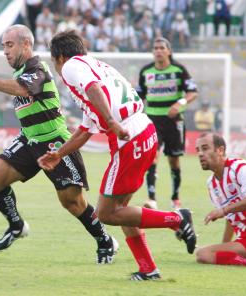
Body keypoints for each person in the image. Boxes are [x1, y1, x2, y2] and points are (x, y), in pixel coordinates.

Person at [38, 30, 197, 280]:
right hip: (144, 129)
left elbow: (93, 89)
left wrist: (112, 122)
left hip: (128, 137)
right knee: (121, 209)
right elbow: (85, 130)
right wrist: (59, 153)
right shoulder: (97, 67)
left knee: (105, 213)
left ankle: (176, 219)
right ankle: (148, 269)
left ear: (58, 57)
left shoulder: (72, 67)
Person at [0, 24, 118, 264]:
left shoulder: (38, 68)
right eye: (3, 47)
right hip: (29, 139)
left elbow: (24, 90)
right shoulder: (21, 71)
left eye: (10, 45)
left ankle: (105, 241)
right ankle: (16, 225)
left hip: (56, 141)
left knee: (72, 202)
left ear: (26, 45)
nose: (5, 51)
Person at [137, 37, 198, 210]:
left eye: (162, 48)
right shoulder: (145, 72)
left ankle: (175, 198)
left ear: (169, 51)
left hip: (173, 121)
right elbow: (139, 96)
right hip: (152, 120)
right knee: (152, 158)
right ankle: (151, 199)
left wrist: (180, 104)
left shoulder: (179, 70)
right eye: (155, 48)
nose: (158, 51)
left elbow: (192, 92)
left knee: (174, 161)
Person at [195, 132, 246, 267]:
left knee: (204, 254)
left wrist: (223, 210)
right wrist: (224, 245)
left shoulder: (241, 169)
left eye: (205, 148)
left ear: (220, 150)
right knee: (204, 254)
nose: (200, 154)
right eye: (198, 150)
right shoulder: (211, 185)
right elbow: (231, 218)